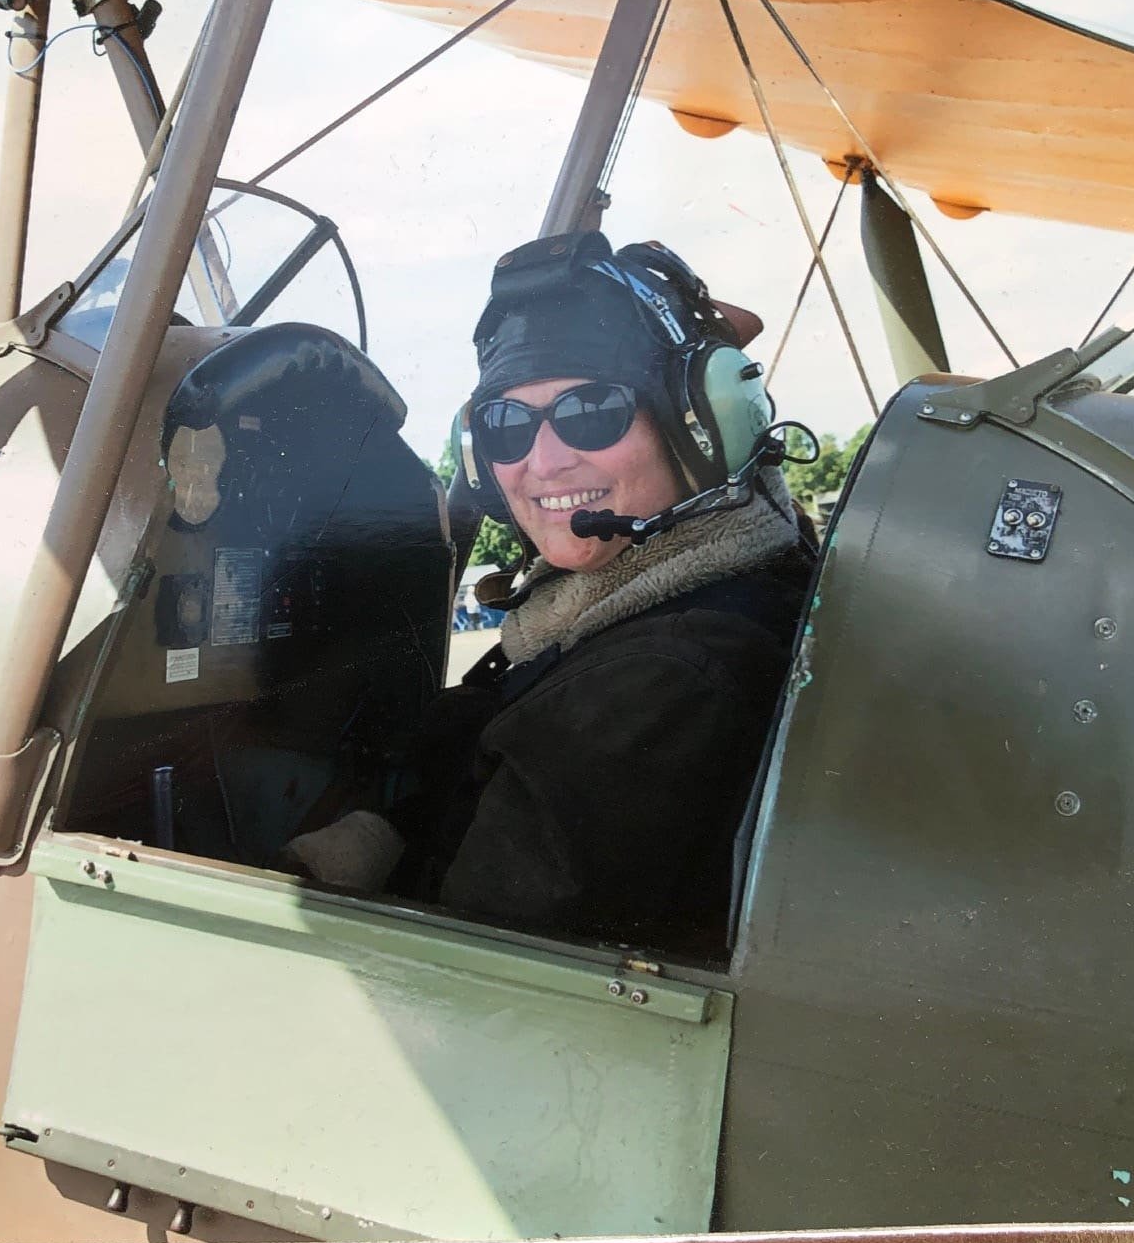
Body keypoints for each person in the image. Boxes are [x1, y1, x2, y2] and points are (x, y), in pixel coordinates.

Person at [285, 231, 816, 954]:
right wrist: (383, 829)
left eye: (591, 411)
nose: (543, 462)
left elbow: (480, 969)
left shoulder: (657, 680)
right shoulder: (690, 594)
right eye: (504, 424)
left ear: (705, 428)